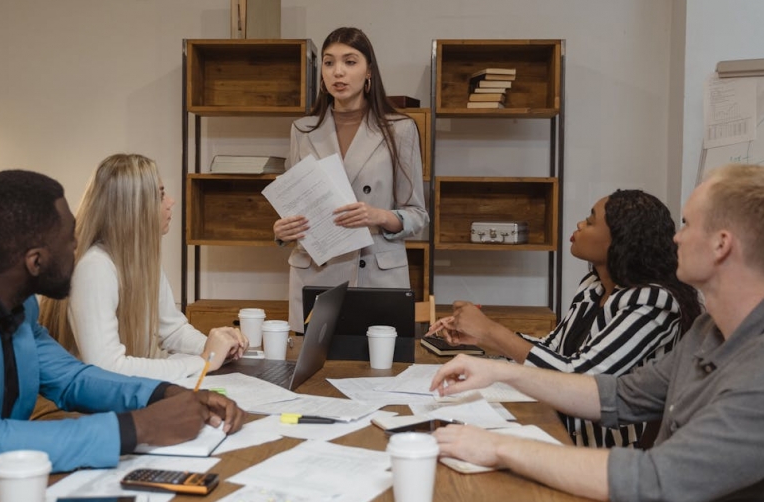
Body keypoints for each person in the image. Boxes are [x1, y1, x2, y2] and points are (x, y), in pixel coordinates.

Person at [0, 170, 245, 502]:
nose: (78, 248)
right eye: (71, 240)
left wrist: (162, 393)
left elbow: (71, 379)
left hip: (3, 487)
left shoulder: (12, 300)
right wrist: (141, 427)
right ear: (35, 261)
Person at [429, 164, 764, 501]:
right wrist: (497, 369)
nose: (676, 237)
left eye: (688, 224)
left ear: (722, 244)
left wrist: (499, 447)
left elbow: (658, 479)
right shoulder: (708, 330)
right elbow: (619, 395)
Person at [428, 189, 701, 447]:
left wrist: (492, 332)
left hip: (610, 453)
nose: (580, 225)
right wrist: (483, 340)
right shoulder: (594, 286)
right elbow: (552, 350)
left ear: (620, 240)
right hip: (561, 430)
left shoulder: (653, 301)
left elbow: (581, 379)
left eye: (591, 221)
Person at [273, 27, 428, 330]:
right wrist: (282, 230)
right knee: (310, 373)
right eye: (329, 63)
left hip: (374, 273)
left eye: (350, 61)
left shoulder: (400, 129)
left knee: (375, 373)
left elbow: (418, 215)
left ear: (369, 71)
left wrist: (378, 215)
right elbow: (294, 205)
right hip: (315, 274)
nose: (338, 72)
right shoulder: (302, 130)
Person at [40, 154, 248, 380]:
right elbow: (107, 367)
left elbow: (173, 330)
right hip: (84, 404)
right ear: (135, 207)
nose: (171, 202)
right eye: (160, 195)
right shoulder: (94, 268)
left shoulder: (140, 260)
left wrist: (217, 346)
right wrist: (203, 360)